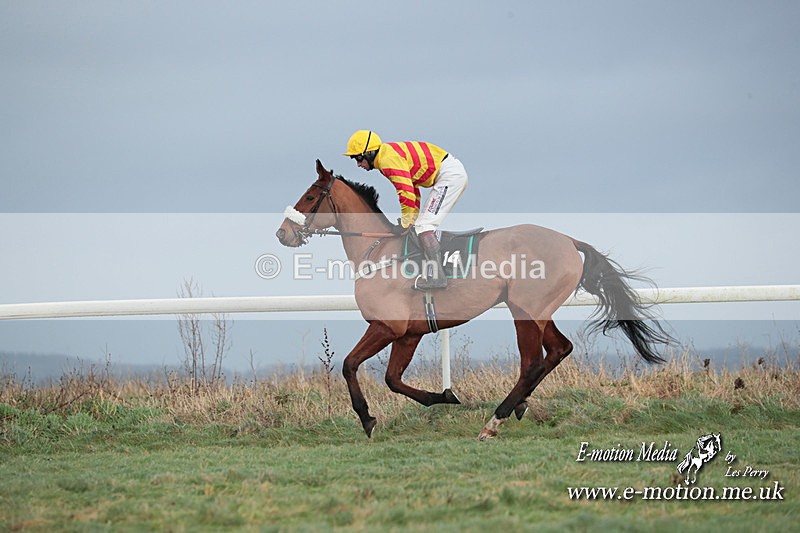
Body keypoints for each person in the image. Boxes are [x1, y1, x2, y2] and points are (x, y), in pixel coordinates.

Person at [344, 130, 468, 289]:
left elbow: (406, 192)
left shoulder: (388, 160)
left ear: (369, 153)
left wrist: (405, 223)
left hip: (449, 176)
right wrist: (411, 221)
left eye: (358, 158)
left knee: (424, 227)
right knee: (419, 225)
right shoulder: (385, 158)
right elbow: (413, 189)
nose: (358, 164)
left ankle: (438, 277)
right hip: (449, 173)